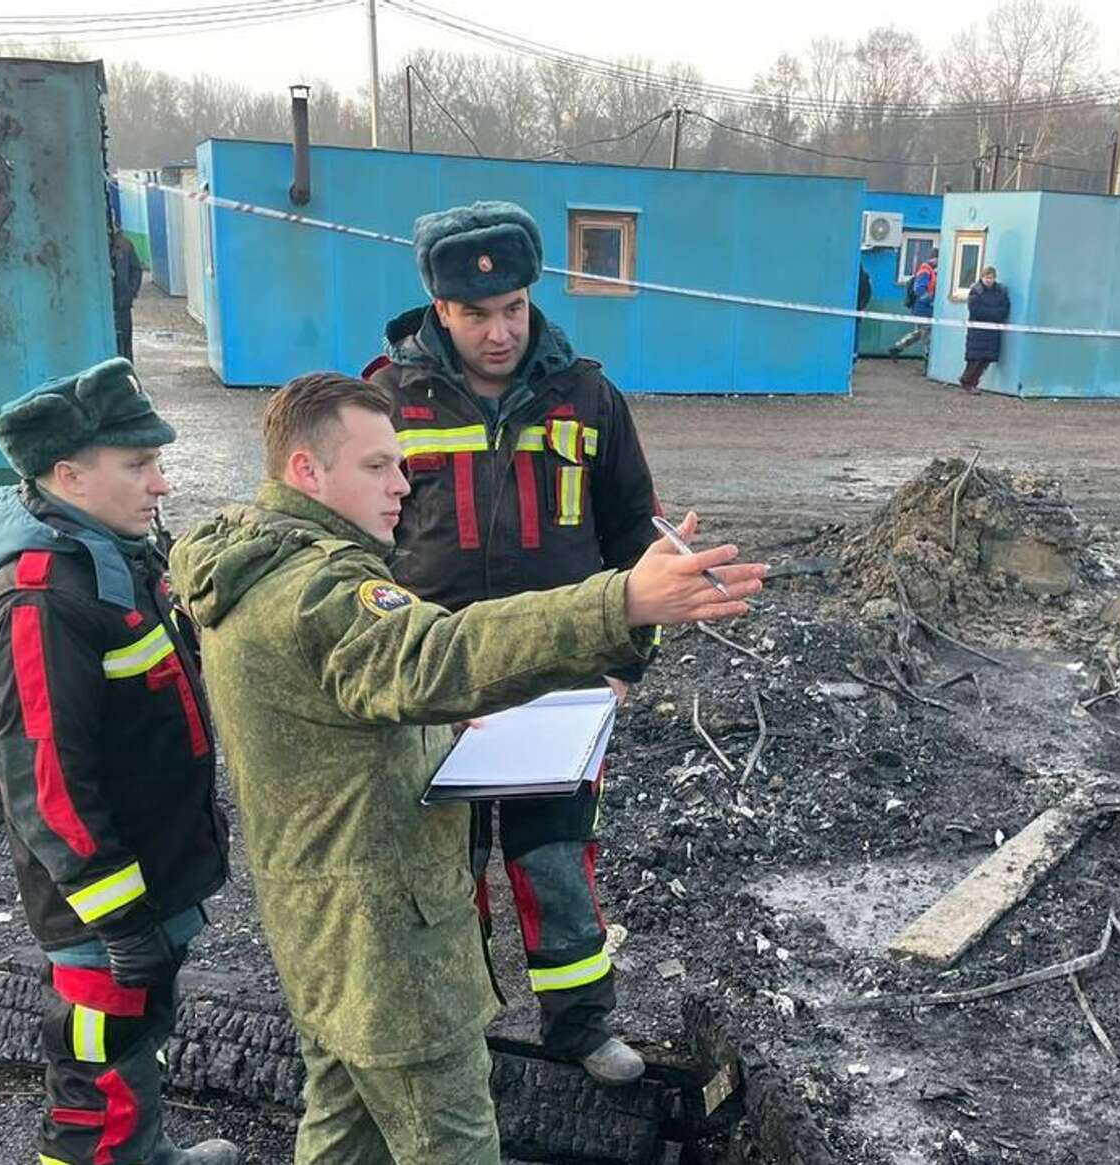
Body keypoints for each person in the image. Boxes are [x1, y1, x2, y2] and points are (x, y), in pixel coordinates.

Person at [168, 373, 764, 1165]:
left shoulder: (259, 561)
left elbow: (337, 708)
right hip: (388, 949)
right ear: (306, 472)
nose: (402, 483)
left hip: (323, 928)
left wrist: (441, 718)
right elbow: (435, 651)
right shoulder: (319, 590)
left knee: (345, 1131)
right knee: (452, 1144)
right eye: (377, 465)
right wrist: (619, 603)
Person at [363, 201, 657, 1085]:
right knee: (446, 868)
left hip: (560, 684)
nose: (500, 332)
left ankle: (579, 1023)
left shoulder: (589, 395)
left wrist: (620, 663)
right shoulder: (384, 399)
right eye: (477, 314)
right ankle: (464, 1032)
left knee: (558, 859)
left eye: (515, 309)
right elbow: (349, 547)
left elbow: (634, 539)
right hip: (435, 682)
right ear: (438, 311)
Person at [0, 357, 237, 1165]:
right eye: (139, 464)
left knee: (135, 1049)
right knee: (95, 1084)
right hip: (105, 911)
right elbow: (46, 786)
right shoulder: (41, 598)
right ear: (69, 474)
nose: (160, 481)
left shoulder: (111, 556)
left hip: (148, 885)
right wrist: (119, 921)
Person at [960, 266, 1012, 394]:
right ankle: (967, 381)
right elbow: (975, 310)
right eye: (987, 277)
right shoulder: (976, 291)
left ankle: (973, 383)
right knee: (975, 358)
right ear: (982, 277)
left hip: (993, 331)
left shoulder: (1001, 291)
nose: (989, 280)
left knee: (987, 359)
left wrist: (994, 315)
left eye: (991, 277)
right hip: (978, 330)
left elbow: (1005, 308)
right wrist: (994, 314)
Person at [889, 258, 935, 358]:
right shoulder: (925, 271)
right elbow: (919, 289)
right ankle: (928, 361)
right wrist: (931, 301)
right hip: (924, 310)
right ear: (934, 259)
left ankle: (897, 348)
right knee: (927, 336)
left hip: (922, 309)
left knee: (919, 333)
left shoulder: (928, 270)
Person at [111, 227, 144, 362]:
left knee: (124, 342)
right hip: (106, 304)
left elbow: (136, 270)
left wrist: (130, 292)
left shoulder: (125, 246)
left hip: (122, 304)